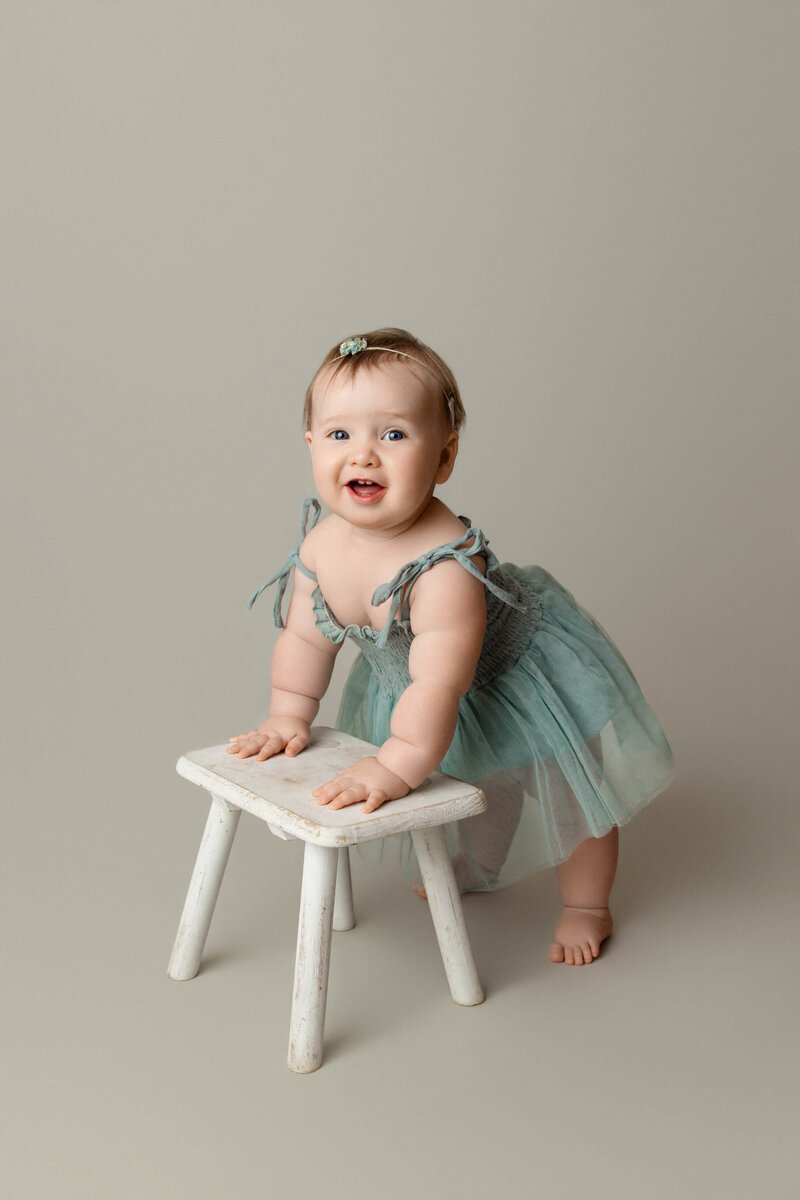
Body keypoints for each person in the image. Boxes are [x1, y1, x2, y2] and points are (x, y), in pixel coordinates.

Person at [228, 328, 674, 965]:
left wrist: (395, 765)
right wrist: (287, 714)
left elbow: (439, 686)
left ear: (443, 458)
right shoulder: (321, 545)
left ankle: (587, 906)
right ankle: (478, 865)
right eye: (339, 435)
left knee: (572, 795)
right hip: (418, 686)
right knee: (486, 779)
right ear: (310, 446)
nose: (364, 455)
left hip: (515, 675)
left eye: (394, 434)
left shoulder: (443, 568)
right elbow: (304, 636)